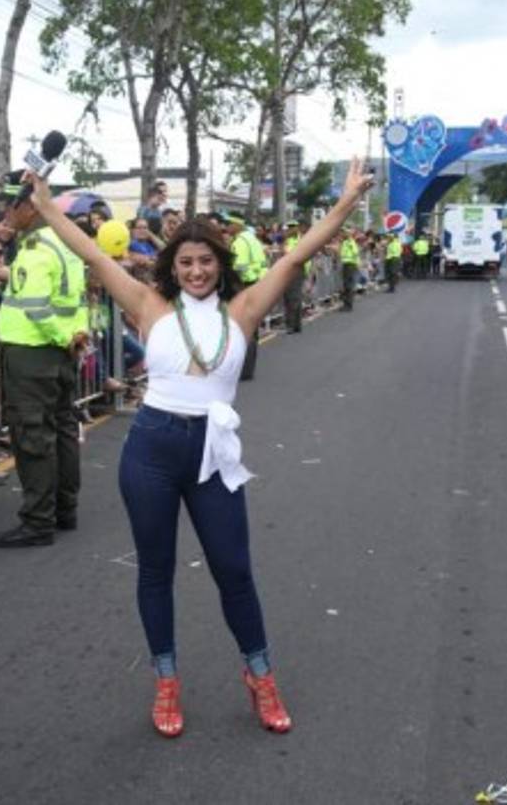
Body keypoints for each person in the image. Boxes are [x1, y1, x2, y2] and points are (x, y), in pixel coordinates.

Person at [26, 157, 374, 738]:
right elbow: (90, 254)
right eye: (185, 262)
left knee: (234, 571)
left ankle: (260, 675)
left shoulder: (244, 310)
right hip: (151, 450)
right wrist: (41, 205)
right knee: (156, 572)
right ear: (172, 266)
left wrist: (344, 203)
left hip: (212, 453)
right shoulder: (147, 306)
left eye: (205, 261)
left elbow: (296, 255)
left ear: (220, 264)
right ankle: (166, 680)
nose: (195, 271)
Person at [0, 188, 88, 548]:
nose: (6, 215)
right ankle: (65, 509)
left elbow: (35, 306)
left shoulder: (35, 250)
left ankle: (37, 521)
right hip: (61, 353)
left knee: (33, 436)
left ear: (29, 208)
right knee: (62, 429)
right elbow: (76, 300)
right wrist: (74, 336)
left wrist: (63, 337)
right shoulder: (65, 243)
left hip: (33, 353)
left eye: (10, 208)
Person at [225, 214, 268, 380]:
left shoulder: (240, 243)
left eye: (229, 224)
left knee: (242, 329)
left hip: (243, 286)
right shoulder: (253, 239)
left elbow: (239, 268)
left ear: (237, 225)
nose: (227, 227)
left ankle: (242, 370)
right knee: (252, 329)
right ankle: (248, 369)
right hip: (257, 284)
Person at [283, 220, 310, 333]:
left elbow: (291, 255)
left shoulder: (301, 240)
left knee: (293, 298)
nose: (289, 229)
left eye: (292, 227)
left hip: (297, 270)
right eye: (289, 227)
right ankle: (296, 325)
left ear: (297, 228)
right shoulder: (288, 240)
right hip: (288, 270)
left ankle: (291, 325)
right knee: (292, 298)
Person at [339, 228, 360, 310]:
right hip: (346, 264)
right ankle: (346, 304)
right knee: (346, 285)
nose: (343, 234)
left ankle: (348, 305)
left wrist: (356, 264)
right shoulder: (345, 242)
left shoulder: (351, 242)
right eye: (343, 233)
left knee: (348, 285)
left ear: (349, 234)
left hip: (350, 265)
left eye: (344, 233)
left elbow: (355, 253)